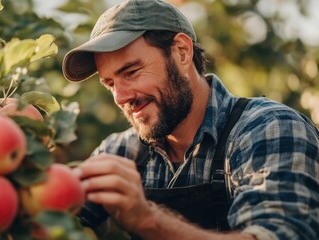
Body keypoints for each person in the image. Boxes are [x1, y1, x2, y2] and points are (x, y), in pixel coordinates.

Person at [62, 0, 319, 239]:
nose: (120, 96)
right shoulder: (120, 152)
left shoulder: (268, 128)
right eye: (110, 84)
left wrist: (148, 219)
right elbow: (54, 224)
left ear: (182, 52)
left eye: (131, 72)